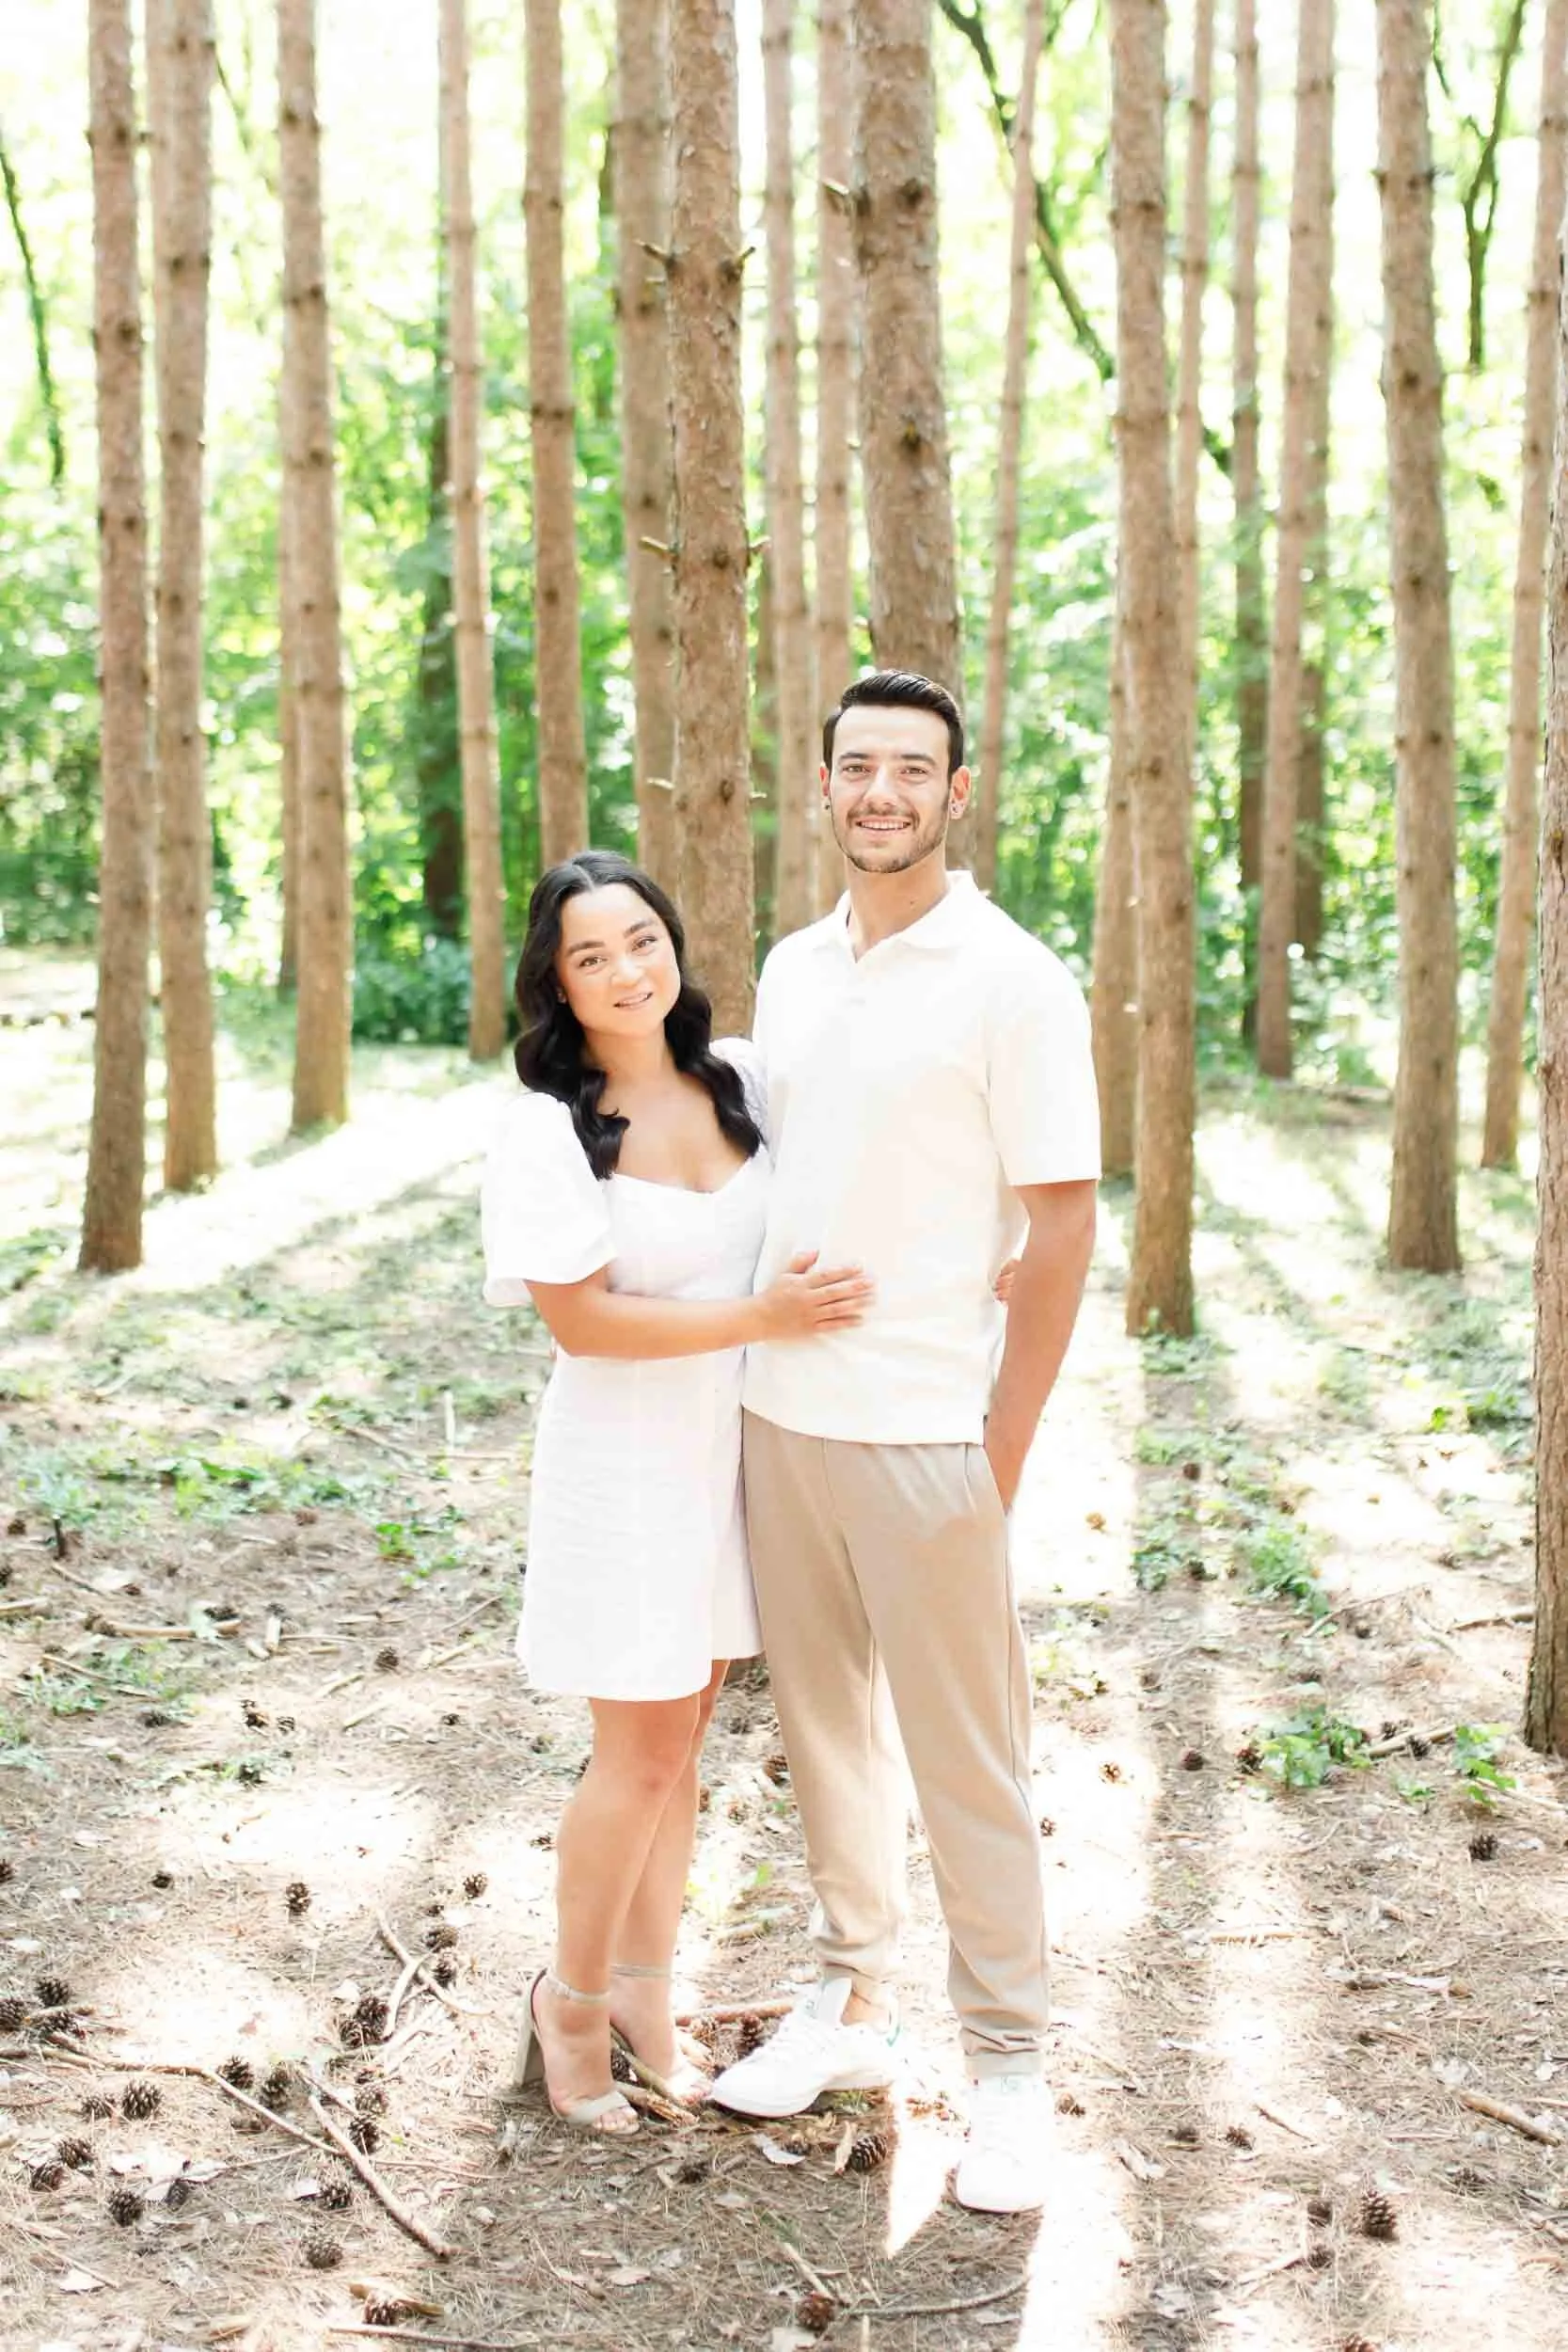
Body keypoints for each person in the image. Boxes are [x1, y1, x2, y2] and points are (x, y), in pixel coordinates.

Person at [706, 671, 1101, 2215]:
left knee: (967, 1765)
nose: (879, 791)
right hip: (779, 1422)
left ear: (958, 791)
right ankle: (855, 2001)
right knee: (821, 1740)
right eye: (854, 766)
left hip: (926, 1428)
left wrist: (996, 1454)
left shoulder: (1014, 981)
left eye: (909, 769)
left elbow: (1062, 1226)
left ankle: (1007, 2070)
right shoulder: (797, 967)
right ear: (822, 787)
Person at [481, 850, 872, 2135]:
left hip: (735, 1454)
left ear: (673, 946)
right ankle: (570, 2000)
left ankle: (649, 1994)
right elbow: (583, 1326)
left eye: (640, 940)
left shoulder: (739, 1077)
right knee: (637, 1752)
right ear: (557, 982)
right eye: (590, 956)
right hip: (623, 1463)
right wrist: (756, 1313)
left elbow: (869, 1149)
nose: (625, 971)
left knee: (682, 1744)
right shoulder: (547, 1124)